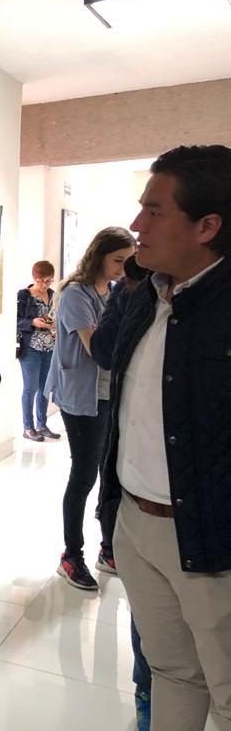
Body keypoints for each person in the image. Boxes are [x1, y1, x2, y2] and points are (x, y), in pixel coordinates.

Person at [102, 145, 231, 730]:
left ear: (207, 226)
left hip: (210, 539)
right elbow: (108, 362)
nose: (137, 225)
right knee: (172, 672)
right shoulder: (146, 296)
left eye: (154, 211)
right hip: (136, 521)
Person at [44, 226, 134, 591]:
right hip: (82, 398)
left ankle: (108, 549)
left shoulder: (112, 292)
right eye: (118, 260)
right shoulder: (75, 294)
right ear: (99, 255)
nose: (124, 269)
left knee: (109, 472)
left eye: (129, 262)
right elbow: (98, 348)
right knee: (83, 476)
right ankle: (71, 555)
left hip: (109, 394)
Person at [89, 255, 153, 731]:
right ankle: (147, 696)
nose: (138, 225)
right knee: (148, 619)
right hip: (135, 495)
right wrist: (127, 292)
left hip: (201, 501)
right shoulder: (135, 293)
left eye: (155, 217)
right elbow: (105, 352)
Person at [16, 260, 59, 442]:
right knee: (30, 388)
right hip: (31, 348)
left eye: (49, 281)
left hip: (50, 347)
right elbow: (16, 320)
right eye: (42, 281)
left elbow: (58, 317)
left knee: (45, 388)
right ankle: (28, 427)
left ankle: (42, 425)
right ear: (35, 278)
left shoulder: (53, 295)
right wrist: (33, 322)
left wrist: (54, 325)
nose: (45, 285)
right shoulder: (24, 295)